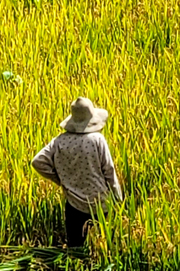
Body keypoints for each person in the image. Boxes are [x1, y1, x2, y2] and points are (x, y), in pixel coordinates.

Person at [30, 97, 122, 248]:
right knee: (103, 248)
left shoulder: (60, 141)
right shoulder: (97, 139)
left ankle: (75, 269)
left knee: (75, 248)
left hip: (75, 205)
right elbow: (109, 171)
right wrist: (118, 199)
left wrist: (59, 179)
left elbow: (37, 161)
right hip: (100, 205)